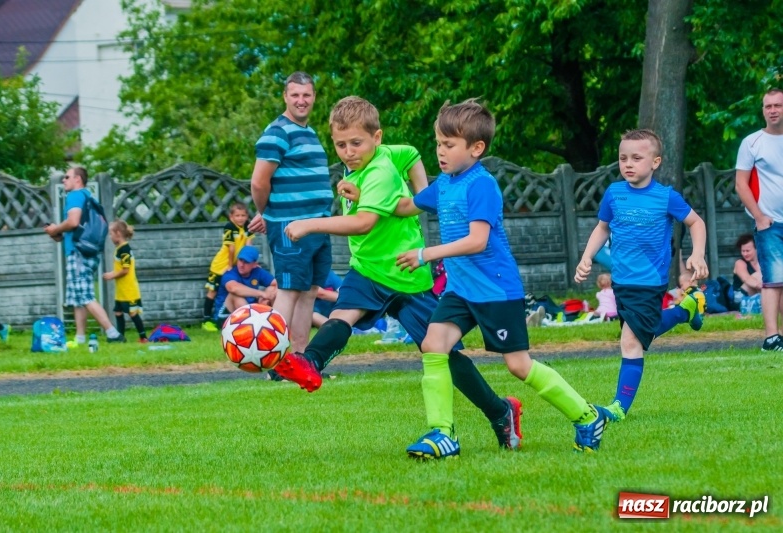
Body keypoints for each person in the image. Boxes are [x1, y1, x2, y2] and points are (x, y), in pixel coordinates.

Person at [273, 96, 524, 454]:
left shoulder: (380, 170)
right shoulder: (384, 154)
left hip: (406, 274)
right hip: (369, 269)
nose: (348, 152)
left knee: (442, 354)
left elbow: (363, 224)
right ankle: (310, 363)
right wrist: (423, 197)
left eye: (356, 143)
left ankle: (500, 410)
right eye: (340, 145)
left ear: (377, 137)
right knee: (342, 314)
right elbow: (411, 154)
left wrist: (309, 224)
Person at [388, 99, 609, 456]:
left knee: (518, 366)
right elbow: (404, 206)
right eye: (438, 144)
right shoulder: (444, 184)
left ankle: (586, 416)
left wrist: (425, 254)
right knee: (433, 345)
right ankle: (442, 433)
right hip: (461, 291)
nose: (440, 152)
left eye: (449, 145)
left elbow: (478, 241)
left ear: (476, 148)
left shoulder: (481, 185)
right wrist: (364, 192)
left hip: (495, 290)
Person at [575, 129, 708, 422]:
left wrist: (697, 254)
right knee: (643, 330)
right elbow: (602, 228)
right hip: (622, 282)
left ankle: (619, 407)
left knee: (631, 341)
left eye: (637, 157)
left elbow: (696, 222)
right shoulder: (614, 193)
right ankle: (687, 308)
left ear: (655, 162)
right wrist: (586, 257)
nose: (628, 164)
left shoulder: (665, 197)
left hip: (650, 282)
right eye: (623, 158)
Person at [249, 71, 334, 354]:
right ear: (285, 97)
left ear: (314, 97)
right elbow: (259, 182)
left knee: (309, 291)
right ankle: (275, 360)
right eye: (295, 95)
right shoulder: (277, 132)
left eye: (306, 95)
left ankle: (300, 359)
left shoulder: (308, 132)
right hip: (291, 228)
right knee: (288, 291)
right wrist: (268, 213)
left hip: (317, 226)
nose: (301, 100)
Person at [43, 167, 126, 346]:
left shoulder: (75, 195)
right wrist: (57, 233)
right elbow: (77, 227)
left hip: (78, 254)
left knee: (86, 295)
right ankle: (80, 339)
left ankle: (113, 334)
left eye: (67, 177)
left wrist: (55, 228)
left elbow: (73, 222)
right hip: (88, 251)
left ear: (78, 179)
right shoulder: (89, 197)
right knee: (76, 297)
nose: (63, 180)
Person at [735, 88, 783, 350]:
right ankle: (771, 338)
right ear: (763, 110)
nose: (773, 110)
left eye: (778, 105)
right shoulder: (752, 142)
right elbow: (741, 184)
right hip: (770, 224)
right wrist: (759, 216)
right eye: (768, 106)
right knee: (774, 279)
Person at [202, 202, 251, 331]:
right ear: (231, 217)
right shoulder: (230, 227)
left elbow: (248, 246)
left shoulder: (247, 227)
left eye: (243, 215)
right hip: (220, 266)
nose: (240, 218)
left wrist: (252, 262)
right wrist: (229, 265)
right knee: (213, 291)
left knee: (227, 291)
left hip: (233, 265)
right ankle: (206, 320)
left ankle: (219, 318)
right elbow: (231, 248)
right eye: (237, 215)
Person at [102, 219, 148, 343]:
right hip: (121, 290)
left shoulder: (125, 249)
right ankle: (120, 337)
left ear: (117, 233)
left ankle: (143, 337)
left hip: (129, 290)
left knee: (132, 313)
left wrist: (112, 275)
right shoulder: (119, 249)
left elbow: (125, 270)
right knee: (118, 311)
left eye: (111, 234)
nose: (110, 237)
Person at [212, 246, 277, 320]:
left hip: (249, 311)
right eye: (240, 260)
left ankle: (267, 319)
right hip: (225, 316)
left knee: (271, 289)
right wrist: (261, 294)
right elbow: (233, 288)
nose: (241, 265)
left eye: (246, 262)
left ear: (254, 264)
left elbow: (278, 284)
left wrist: (265, 299)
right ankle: (254, 321)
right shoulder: (230, 273)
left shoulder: (257, 271)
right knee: (235, 295)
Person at [732, 233, 762, 314]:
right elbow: (746, 278)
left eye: (748, 251)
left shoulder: (763, 262)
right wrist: (765, 288)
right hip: (740, 297)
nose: (745, 254)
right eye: (743, 251)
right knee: (758, 275)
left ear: (756, 249)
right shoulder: (740, 263)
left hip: (758, 294)